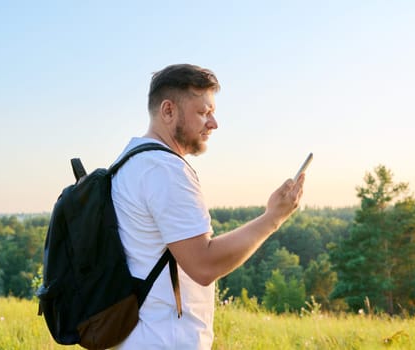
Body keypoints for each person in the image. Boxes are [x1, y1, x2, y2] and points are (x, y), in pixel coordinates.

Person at [110, 64, 305, 349]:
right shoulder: (165, 170)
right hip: (162, 341)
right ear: (168, 111)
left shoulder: (128, 162)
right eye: (203, 112)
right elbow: (203, 265)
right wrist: (272, 218)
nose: (214, 123)